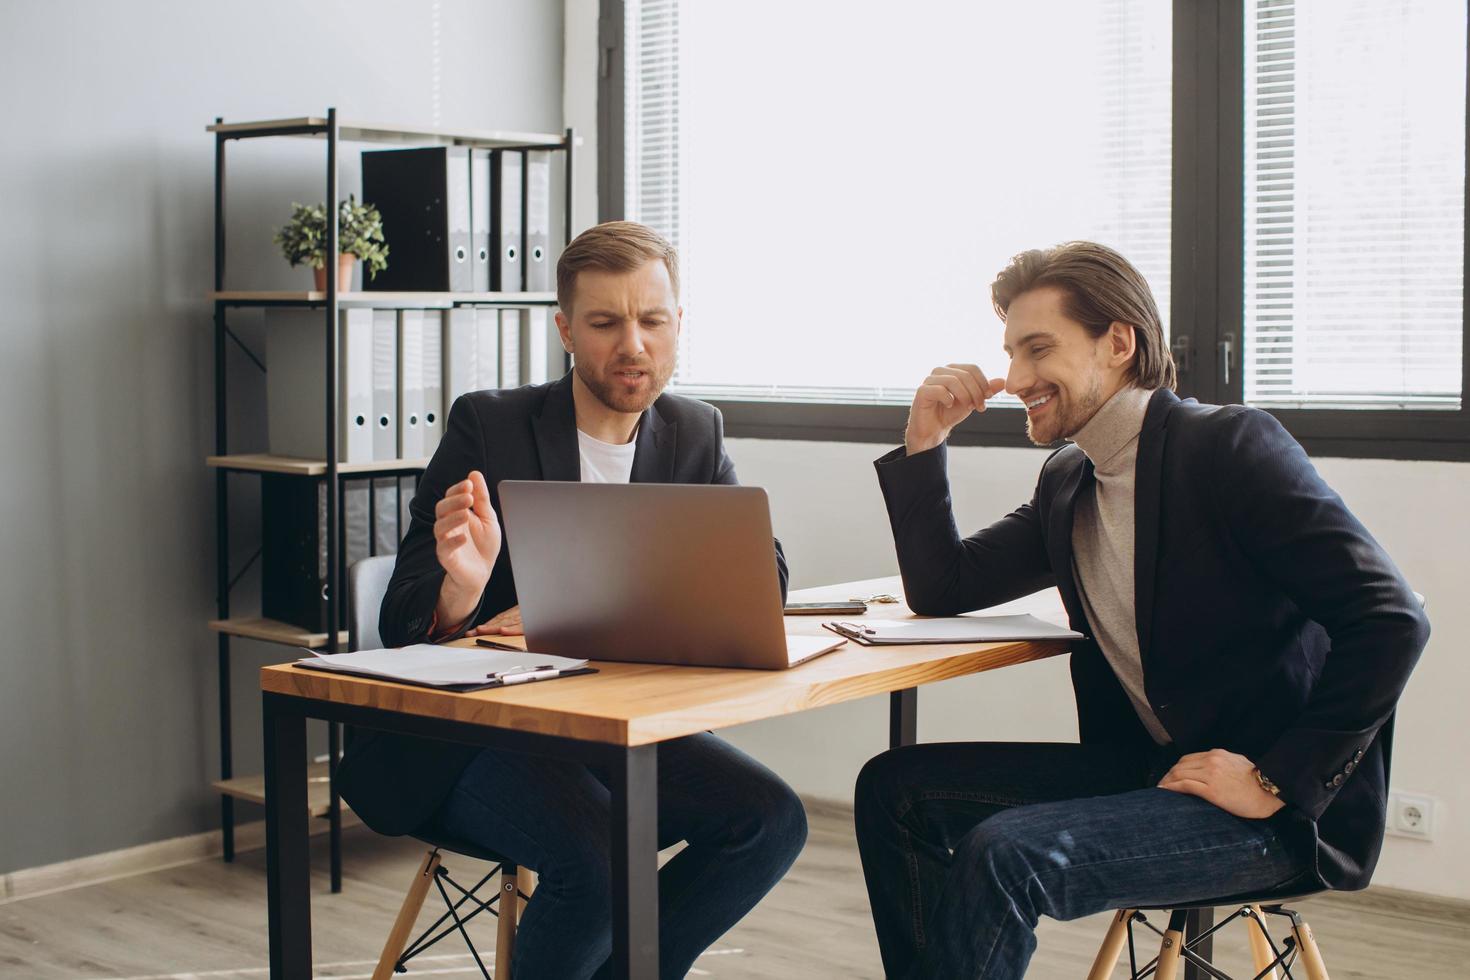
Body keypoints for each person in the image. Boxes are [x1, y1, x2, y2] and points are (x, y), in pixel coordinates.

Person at [853, 241, 1430, 979]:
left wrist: (1277, 782)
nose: (1017, 379)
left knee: (1006, 854)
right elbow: (945, 587)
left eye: (1038, 350)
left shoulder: (1227, 447)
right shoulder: (1071, 480)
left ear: (1118, 342)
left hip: (1273, 812)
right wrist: (924, 440)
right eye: (1011, 353)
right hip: (1152, 772)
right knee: (894, 791)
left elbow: (1390, 619)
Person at [337, 221, 806, 979]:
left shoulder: (694, 432)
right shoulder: (489, 425)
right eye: (605, 322)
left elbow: (762, 584)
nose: (634, 345)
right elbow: (401, 622)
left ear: (678, 324)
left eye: (653, 320)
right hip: (471, 740)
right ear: (564, 329)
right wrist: (463, 586)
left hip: (608, 727)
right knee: (603, 862)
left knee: (769, 821)